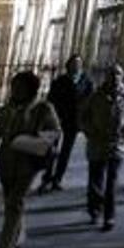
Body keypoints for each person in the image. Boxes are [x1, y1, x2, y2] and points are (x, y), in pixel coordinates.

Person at [0, 70, 61, 248]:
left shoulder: (43, 108)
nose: (16, 90)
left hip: (28, 164)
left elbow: (54, 131)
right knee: (11, 203)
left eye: (20, 87)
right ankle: (18, 235)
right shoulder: (5, 110)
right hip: (6, 163)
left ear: (31, 89)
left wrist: (36, 142)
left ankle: (4, 247)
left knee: (15, 201)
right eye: (14, 86)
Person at [80, 64, 124, 231]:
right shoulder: (95, 96)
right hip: (97, 143)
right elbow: (83, 116)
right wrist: (90, 131)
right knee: (96, 179)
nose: (114, 77)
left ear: (122, 76)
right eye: (111, 74)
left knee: (112, 182)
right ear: (106, 76)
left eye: (118, 74)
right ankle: (94, 209)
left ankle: (109, 216)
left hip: (117, 144)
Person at [38, 54, 92, 193]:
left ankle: (58, 179)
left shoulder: (87, 82)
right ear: (68, 65)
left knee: (65, 152)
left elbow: (89, 101)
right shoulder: (60, 80)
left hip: (74, 120)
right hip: (57, 118)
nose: (76, 66)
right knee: (50, 150)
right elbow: (51, 99)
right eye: (74, 63)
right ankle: (46, 178)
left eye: (79, 63)